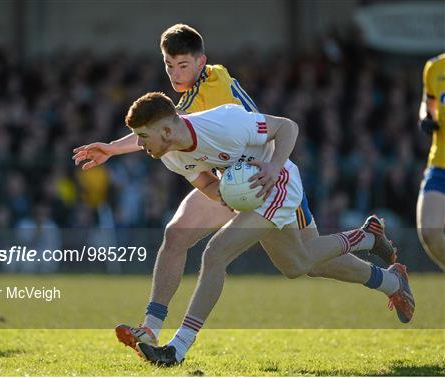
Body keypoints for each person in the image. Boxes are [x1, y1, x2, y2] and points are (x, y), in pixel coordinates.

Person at [72, 24, 408, 350]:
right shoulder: (186, 103)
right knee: (177, 236)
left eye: (183, 65)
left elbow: (165, 128)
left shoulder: (212, 85)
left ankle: (375, 253)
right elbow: (159, 133)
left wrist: (116, 147)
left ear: (201, 63)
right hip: (231, 179)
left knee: (304, 261)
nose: (175, 73)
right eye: (169, 65)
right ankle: (151, 327)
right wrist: (115, 148)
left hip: (264, 174)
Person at [122, 92, 415, 366]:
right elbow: (209, 185)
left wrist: (273, 167)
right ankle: (377, 257)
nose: (140, 145)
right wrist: (227, 194)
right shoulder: (171, 154)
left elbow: (287, 127)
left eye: (143, 137)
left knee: (215, 254)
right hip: (253, 194)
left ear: (167, 131)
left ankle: (178, 348)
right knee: (298, 264)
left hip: (279, 184)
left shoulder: (224, 123)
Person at [416, 53, 445, 270]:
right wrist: (426, 117)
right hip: (440, 161)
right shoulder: (434, 68)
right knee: (429, 232)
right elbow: (429, 103)